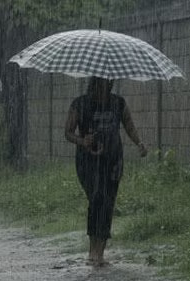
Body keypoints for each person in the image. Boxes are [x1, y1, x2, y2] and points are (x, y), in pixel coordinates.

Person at [64, 77, 148, 266]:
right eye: (100, 84)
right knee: (97, 198)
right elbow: (68, 132)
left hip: (113, 161)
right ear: (93, 84)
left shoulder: (118, 103)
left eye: (107, 84)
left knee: (107, 202)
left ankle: (98, 252)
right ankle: (93, 249)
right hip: (88, 162)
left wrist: (139, 143)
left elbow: (129, 126)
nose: (104, 87)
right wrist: (82, 141)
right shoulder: (80, 104)